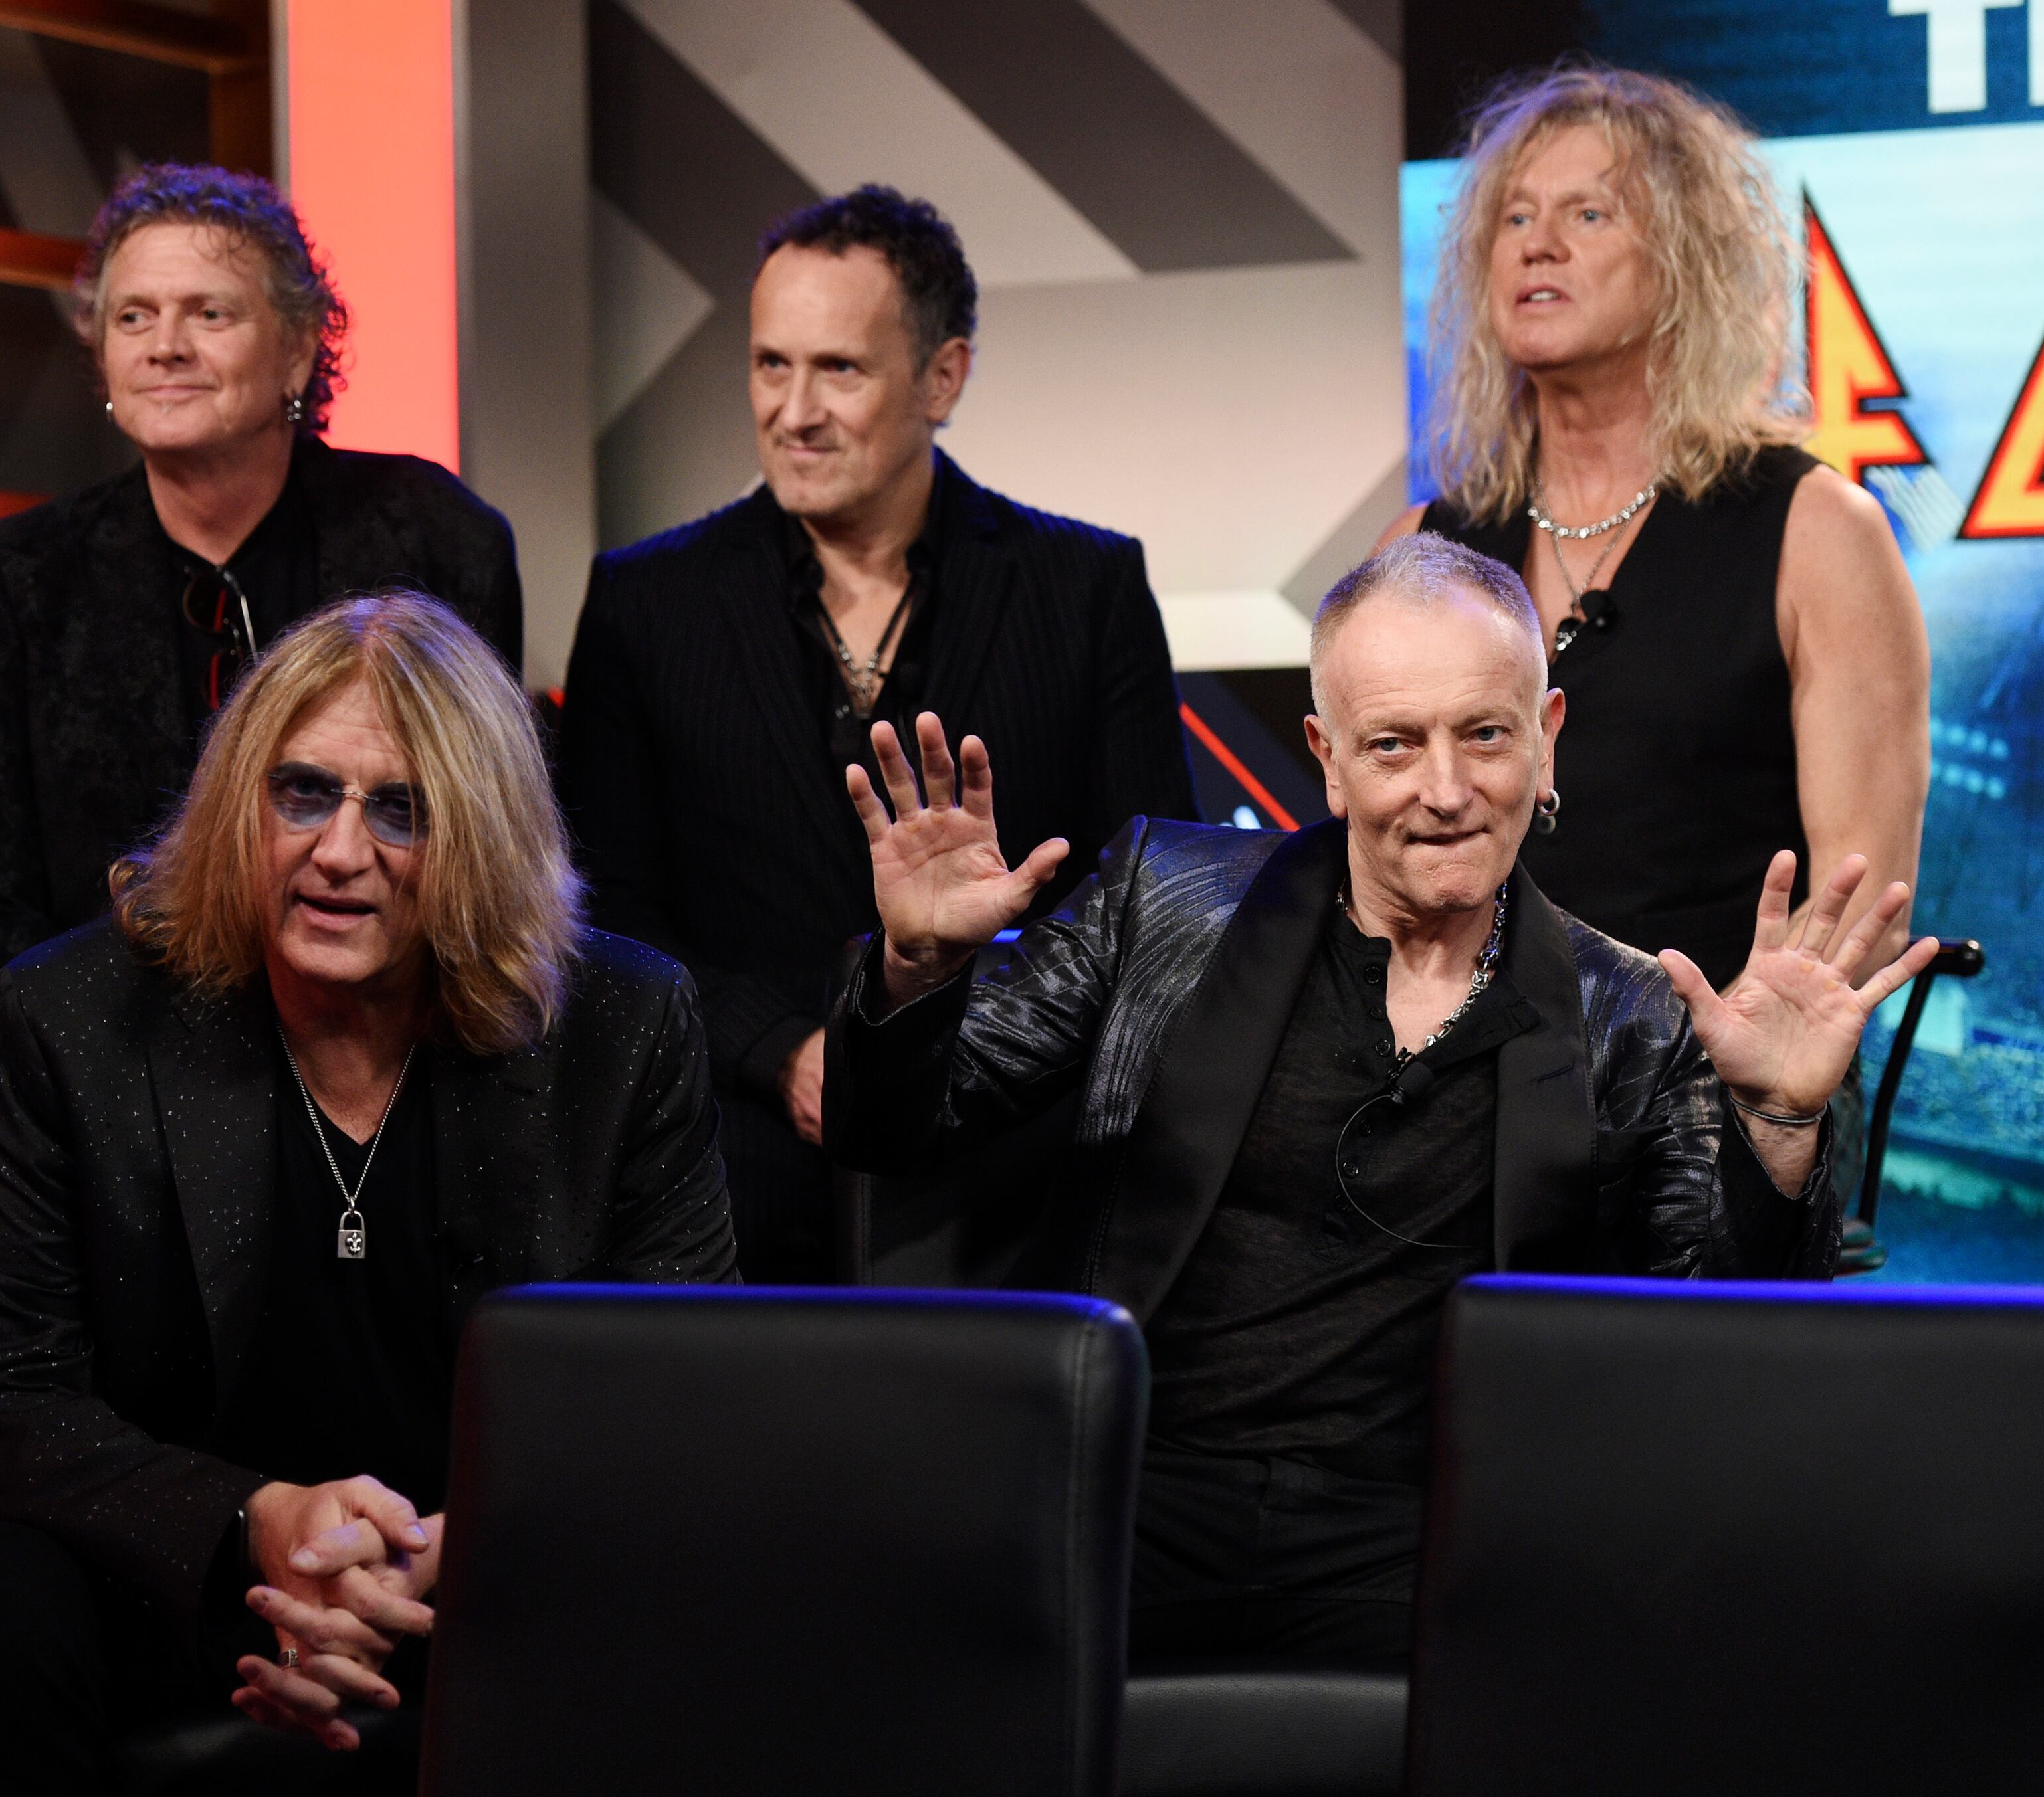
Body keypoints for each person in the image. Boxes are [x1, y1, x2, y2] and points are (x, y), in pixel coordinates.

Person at [826, 535, 1935, 1669]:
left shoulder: (1640, 1018)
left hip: (1432, 1531)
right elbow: (896, 1127)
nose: (1445, 791)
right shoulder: (1163, 897)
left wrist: (1782, 1123)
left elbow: (1719, 1363)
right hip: (1140, 1490)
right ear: (1330, 759)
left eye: (1486, 735)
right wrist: (916, 973)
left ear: (1547, 739)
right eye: (1395, 744)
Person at [0, 594, 734, 1796]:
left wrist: (444, 1562)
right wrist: (258, 1526)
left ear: (482, 838)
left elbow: (681, 1397)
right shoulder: (77, 1015)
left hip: (480, 1573)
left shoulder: (619, 1024)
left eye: (403, 810)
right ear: (245, 802)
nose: (341, 852)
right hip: (181, 1566)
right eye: (304, 793)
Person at [0, 163, 522, 1401]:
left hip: (390, 1097)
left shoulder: (433, 536)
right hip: (105, 1106)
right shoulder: (21, 576)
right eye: (134, 318)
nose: (165, 347)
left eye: (209, 314)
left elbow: (490, 837)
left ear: (300, 348)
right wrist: (95, 1096)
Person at [559, 185, 1195, 1281]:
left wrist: (935, 1055)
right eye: (770, 364)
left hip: (1014, 1188)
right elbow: (605, 908)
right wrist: (788, 1051)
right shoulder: (644, 602)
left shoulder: (1085, 588)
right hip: (728, 1184)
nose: (793, 410)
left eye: (838, 370)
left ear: (943, 376)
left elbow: (1159, 901)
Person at [1379, 64, 1930, 1191]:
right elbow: (1361, 867)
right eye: (1516, 219)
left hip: (1716, 1108)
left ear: (1684, 264)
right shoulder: (1422, 548)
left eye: (1589, 213)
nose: (1539, 244)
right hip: (1451, 1114)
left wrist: (1759, 1085)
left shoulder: (1813, 527)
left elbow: (1857, 904)